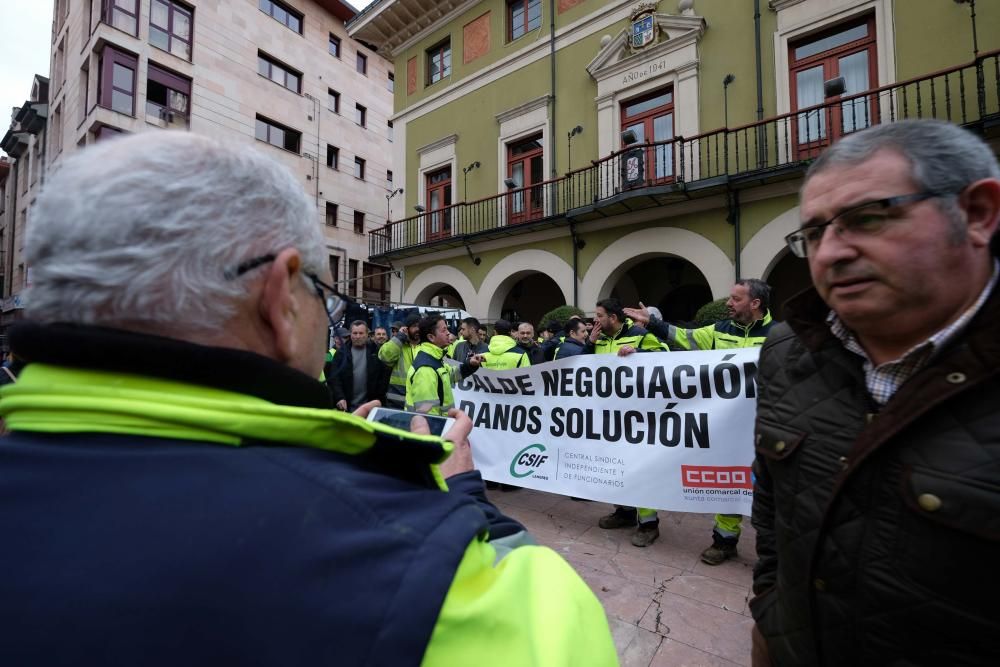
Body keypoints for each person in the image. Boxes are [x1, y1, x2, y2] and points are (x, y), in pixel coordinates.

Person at [0, 132, 618, 667]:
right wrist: (470, 508)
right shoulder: (412, 564)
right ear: (279, 295)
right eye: (322, 294)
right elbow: (560, 634)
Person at [749, 119, 1000, 666]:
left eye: (868, 218)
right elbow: (772, 511)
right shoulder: (787, 353)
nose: (831, 253)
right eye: (814, 233)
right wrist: (770, 616)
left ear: (978, 214)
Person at [625, 279, 776, 565]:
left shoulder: (779, 335)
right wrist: (655, 323)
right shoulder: (719, 330)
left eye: (735, 298)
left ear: (755, 304)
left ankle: (772, 558)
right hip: (722, 425)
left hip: (762, 427)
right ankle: (724, 542)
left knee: (763, 492)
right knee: (729, 480)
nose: (728, 303)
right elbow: (685, 337)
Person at [587, 298, 664, 546]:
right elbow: (581, 368)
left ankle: (649, 523)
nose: (595, 320)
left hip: (638, 416)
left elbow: (665, 357)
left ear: (613, 317)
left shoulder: (639, 335)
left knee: (640, 469)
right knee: (617, 466)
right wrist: (589, 345)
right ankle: (625, 512)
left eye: (599, 315)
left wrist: (638, 354)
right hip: (609, 416)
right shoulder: (597, 339)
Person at [406, 315, 482, 415]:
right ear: (431, 337)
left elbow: (450, 374)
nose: (448, 333)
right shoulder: (426, 370)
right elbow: (428, 416)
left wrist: (470, 365)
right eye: (444, 330)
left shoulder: (434, 360)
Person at [331, 320, 388, 412]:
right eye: (355, 333)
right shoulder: (341, 353)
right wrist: (339, 397)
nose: (358, 336)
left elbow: (383, 378)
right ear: (350, 334)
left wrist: (378, 400)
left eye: (361, 333)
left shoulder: (376, 352)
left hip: (370, 407)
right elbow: (335, 378)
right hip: (346, 408)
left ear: (367, 334)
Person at [378, 312, 421, 408]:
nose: (417, 329)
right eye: (414, 326)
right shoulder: (398, 344)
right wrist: (400, 337)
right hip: (397, 402)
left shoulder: (426, 346)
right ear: (406, 328)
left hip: (419, 401)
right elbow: (384, 356)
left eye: (419, 326)